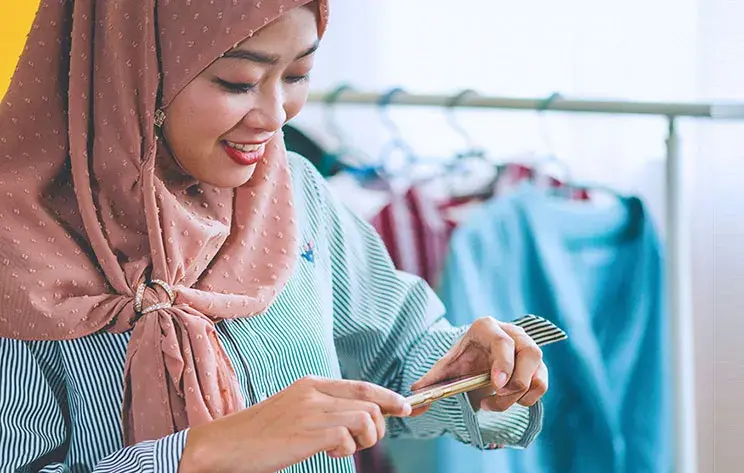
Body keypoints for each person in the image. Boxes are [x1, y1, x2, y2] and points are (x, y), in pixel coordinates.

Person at [0, 1, 548, 472]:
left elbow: (397, 360)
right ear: (132, 71)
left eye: (296, 75)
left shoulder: (293, 193)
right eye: (237, 82)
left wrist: (473, 379)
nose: (274, 115)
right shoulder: (21, 242)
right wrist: (207, 452)